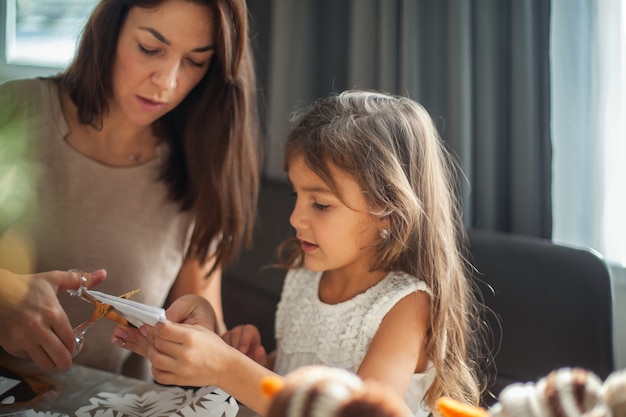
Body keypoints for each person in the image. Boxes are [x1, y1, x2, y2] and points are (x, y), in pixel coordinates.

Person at [113, 90, 486, 416]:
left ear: (386, 210)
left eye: (320, 205)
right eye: (297, 196)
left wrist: (229, 370)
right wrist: (245, 360)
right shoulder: (305, 275)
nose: (295, 218)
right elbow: (291, 378)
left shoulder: (406, 306)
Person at [0, 0, 260, 379]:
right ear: (110, 28)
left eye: (195, 61)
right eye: (150, 49)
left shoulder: (199, 166)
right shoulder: (15, 110)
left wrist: (217, 344)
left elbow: (204, 322)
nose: (168, 82)